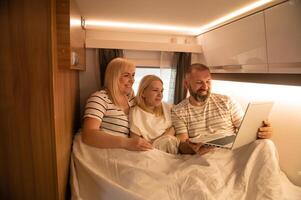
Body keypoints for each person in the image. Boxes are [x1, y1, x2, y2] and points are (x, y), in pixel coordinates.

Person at [171, 63, 273, 154]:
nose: (205, 86)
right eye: (199, 82)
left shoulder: (227, 101)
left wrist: (262, 132)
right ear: (186, 84)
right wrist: (191, 148)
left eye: (208, 81)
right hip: (203, 157)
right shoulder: (178, 111)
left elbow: (245, 130)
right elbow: (182, 144)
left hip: (232, 154)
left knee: (266, 144)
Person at [81, 57, 153, 151]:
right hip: (109, 152)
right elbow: (88, 135)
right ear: (114, 77)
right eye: (126, 75)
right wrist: (127, 142)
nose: (132, 80)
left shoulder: (132, 100)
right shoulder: (99, 98)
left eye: (133, 75)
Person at [129, 75, 179, 154]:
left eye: (162, 91)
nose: (160, 94)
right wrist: (166, 135)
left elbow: (175, 127)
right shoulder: (135, 113)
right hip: (149, 152)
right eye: (155, 90)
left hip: (171, 150)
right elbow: (138, 142)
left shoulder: (167, 107)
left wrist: (168, 134)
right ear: (143, 93)